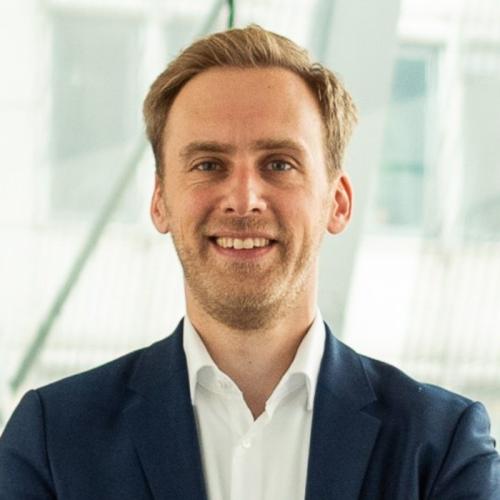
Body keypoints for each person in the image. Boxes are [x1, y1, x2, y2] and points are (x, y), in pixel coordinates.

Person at [0, 24, 499, 500]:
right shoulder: (51, 441)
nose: (243, 200)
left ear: (338, 202)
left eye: (279, 164)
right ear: (159, 202)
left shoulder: (443, 448)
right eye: (208, 165)